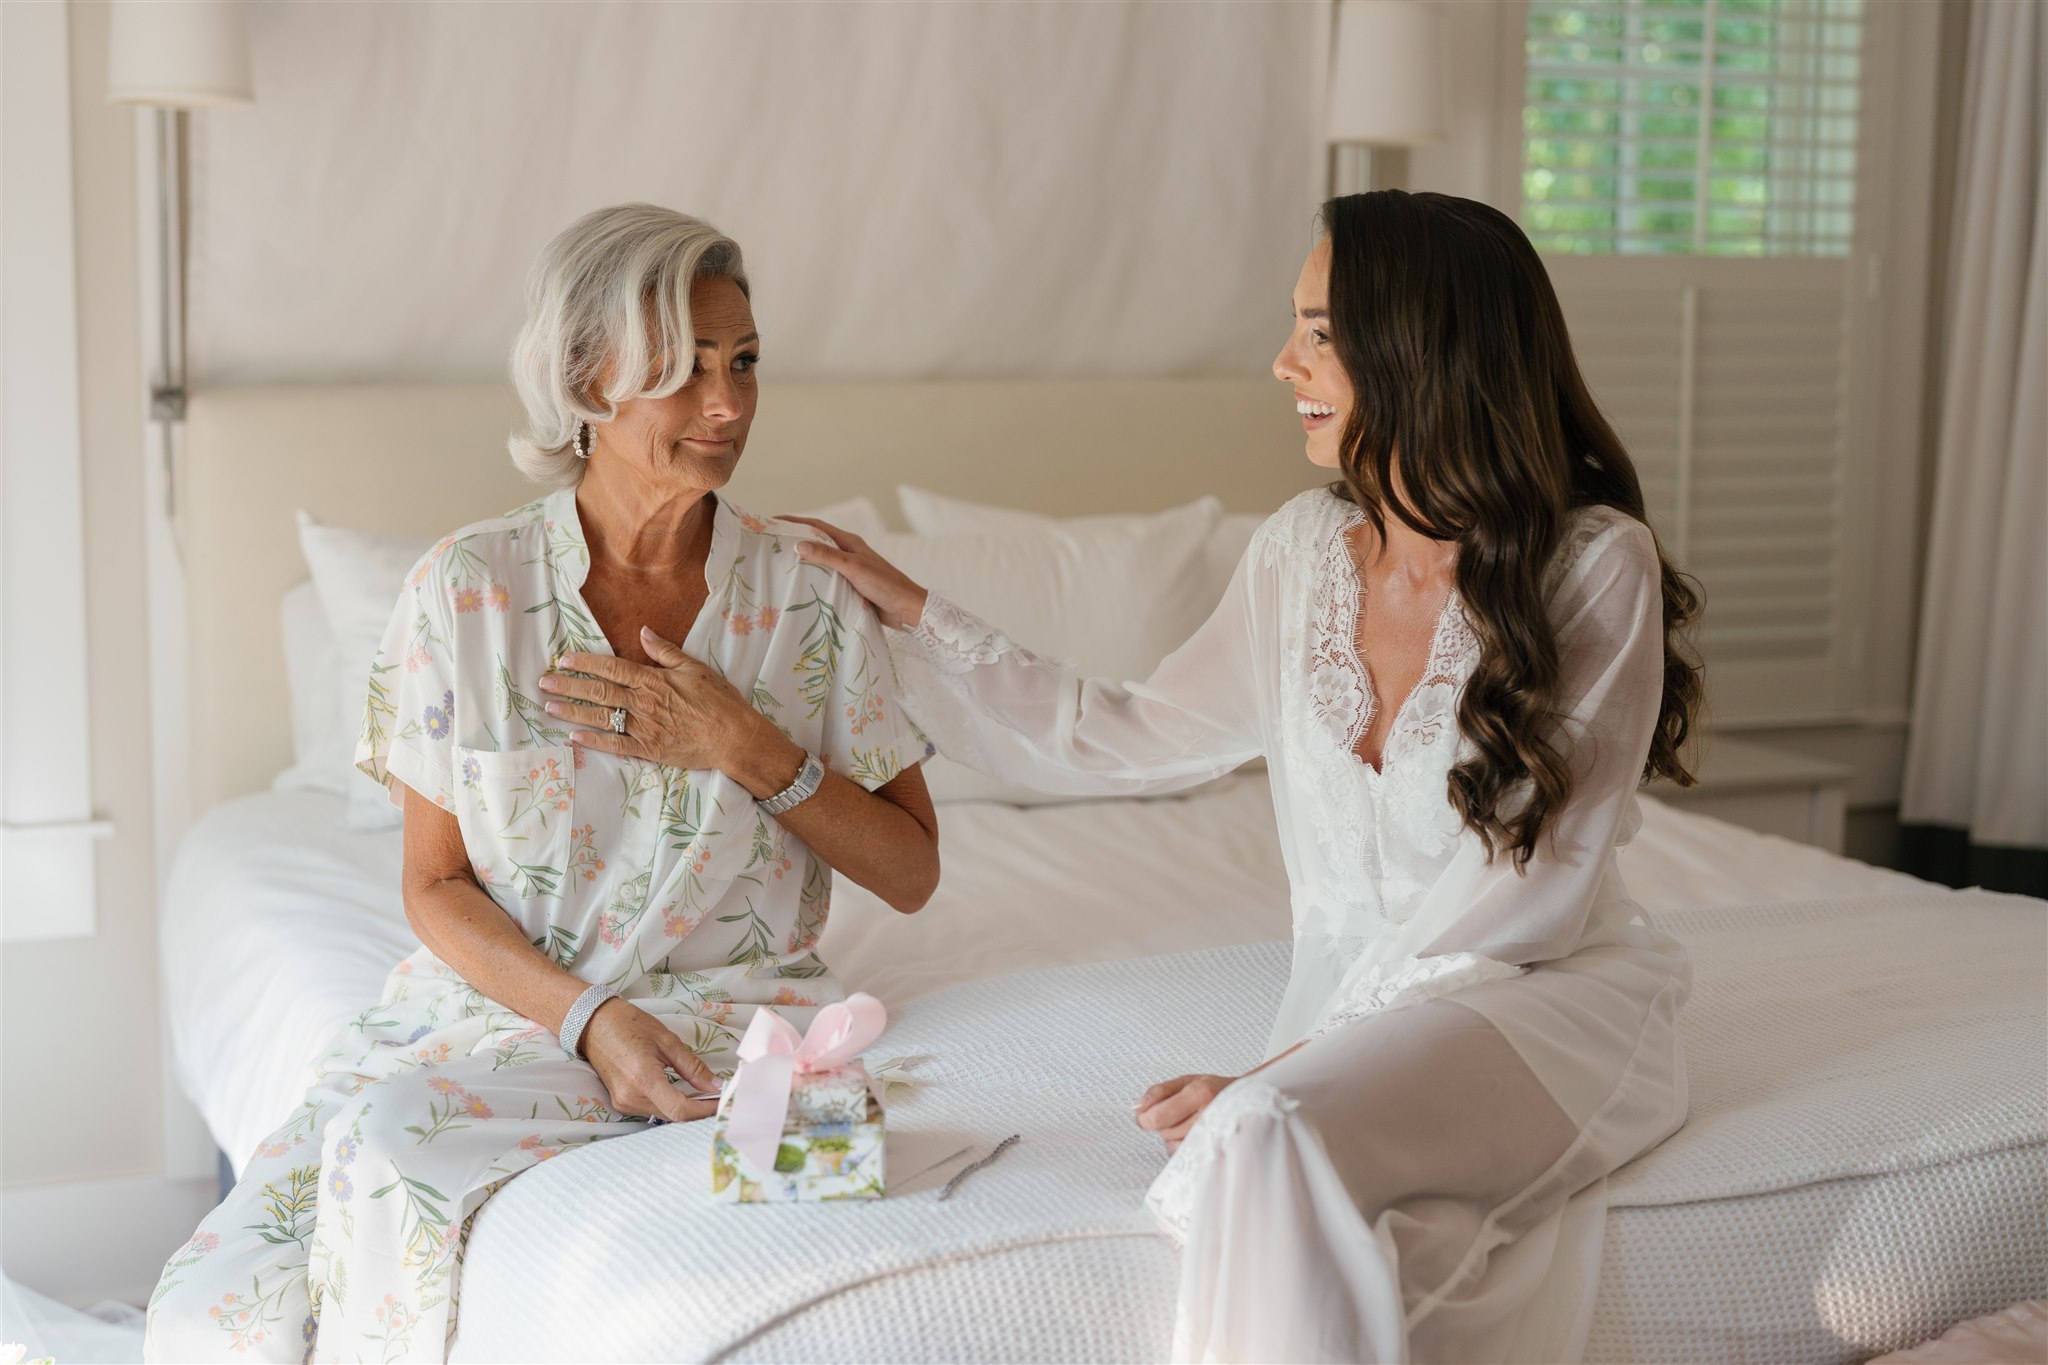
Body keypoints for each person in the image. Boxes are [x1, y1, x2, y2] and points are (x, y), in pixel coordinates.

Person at [787, 190, 1703, 1362]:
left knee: (1258, 1129)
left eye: (1318, 331)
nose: (1281, 363)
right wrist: (919, 615)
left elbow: (1532, 892)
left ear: (1417, 347)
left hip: (1544, 1001)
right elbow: (1129, 734)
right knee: (1279, 1147)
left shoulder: (1592, 565)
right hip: (1349, 1025)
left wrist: (1295, 1065)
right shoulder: (1299, 554)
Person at [144, 204, 938, 1363]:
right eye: (683, 368)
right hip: (504, 1013)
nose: (727, 403)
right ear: (582, 381)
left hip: (727, 1027)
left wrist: (748, 748)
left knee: (396, 1145)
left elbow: (911, 873)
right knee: (212, 1313)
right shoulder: (465, 591)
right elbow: (433, 885)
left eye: (743, 361)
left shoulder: (807, 595)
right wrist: (589, 1021)